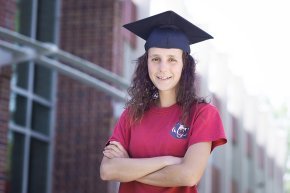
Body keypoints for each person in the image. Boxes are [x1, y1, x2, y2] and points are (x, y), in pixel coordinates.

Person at [100, 10, 227, 193]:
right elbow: (107, 170)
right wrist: (168, 161)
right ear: (146, 63)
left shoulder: (203, 114)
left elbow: (188, 175)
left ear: (185, 65)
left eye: (172, 60)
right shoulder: (132, 114)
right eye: (155, 59)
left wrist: (127, 167)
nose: (162, 68)